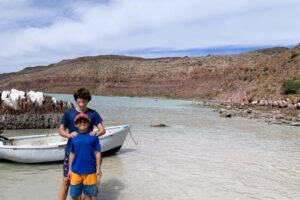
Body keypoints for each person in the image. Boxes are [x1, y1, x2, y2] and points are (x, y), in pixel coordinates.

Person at [58, 88, 105, 200]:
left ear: (88, 100)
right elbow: (61, 130)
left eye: (84, 98)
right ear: (76, 99)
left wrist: (96, 133)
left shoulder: (93, 113)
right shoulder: (69, 113)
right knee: (66, 180)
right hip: (71, 150)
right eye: (79, 98)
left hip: (90, 153)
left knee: (90, 182)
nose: (82, 100)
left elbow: (102, 130)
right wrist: (69, 135)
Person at [69, 113, 102, 200]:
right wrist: (69, 169)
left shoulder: (94, 136)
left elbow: (98, 152)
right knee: (74, 195)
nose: (82, 123)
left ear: (89, 123)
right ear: (75, 124)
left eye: (84, 121)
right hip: (76, 171)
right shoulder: (73, 137)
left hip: (90, 171)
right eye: (79, 122)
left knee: (88, 195)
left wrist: (98, 168)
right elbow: (72, 153)